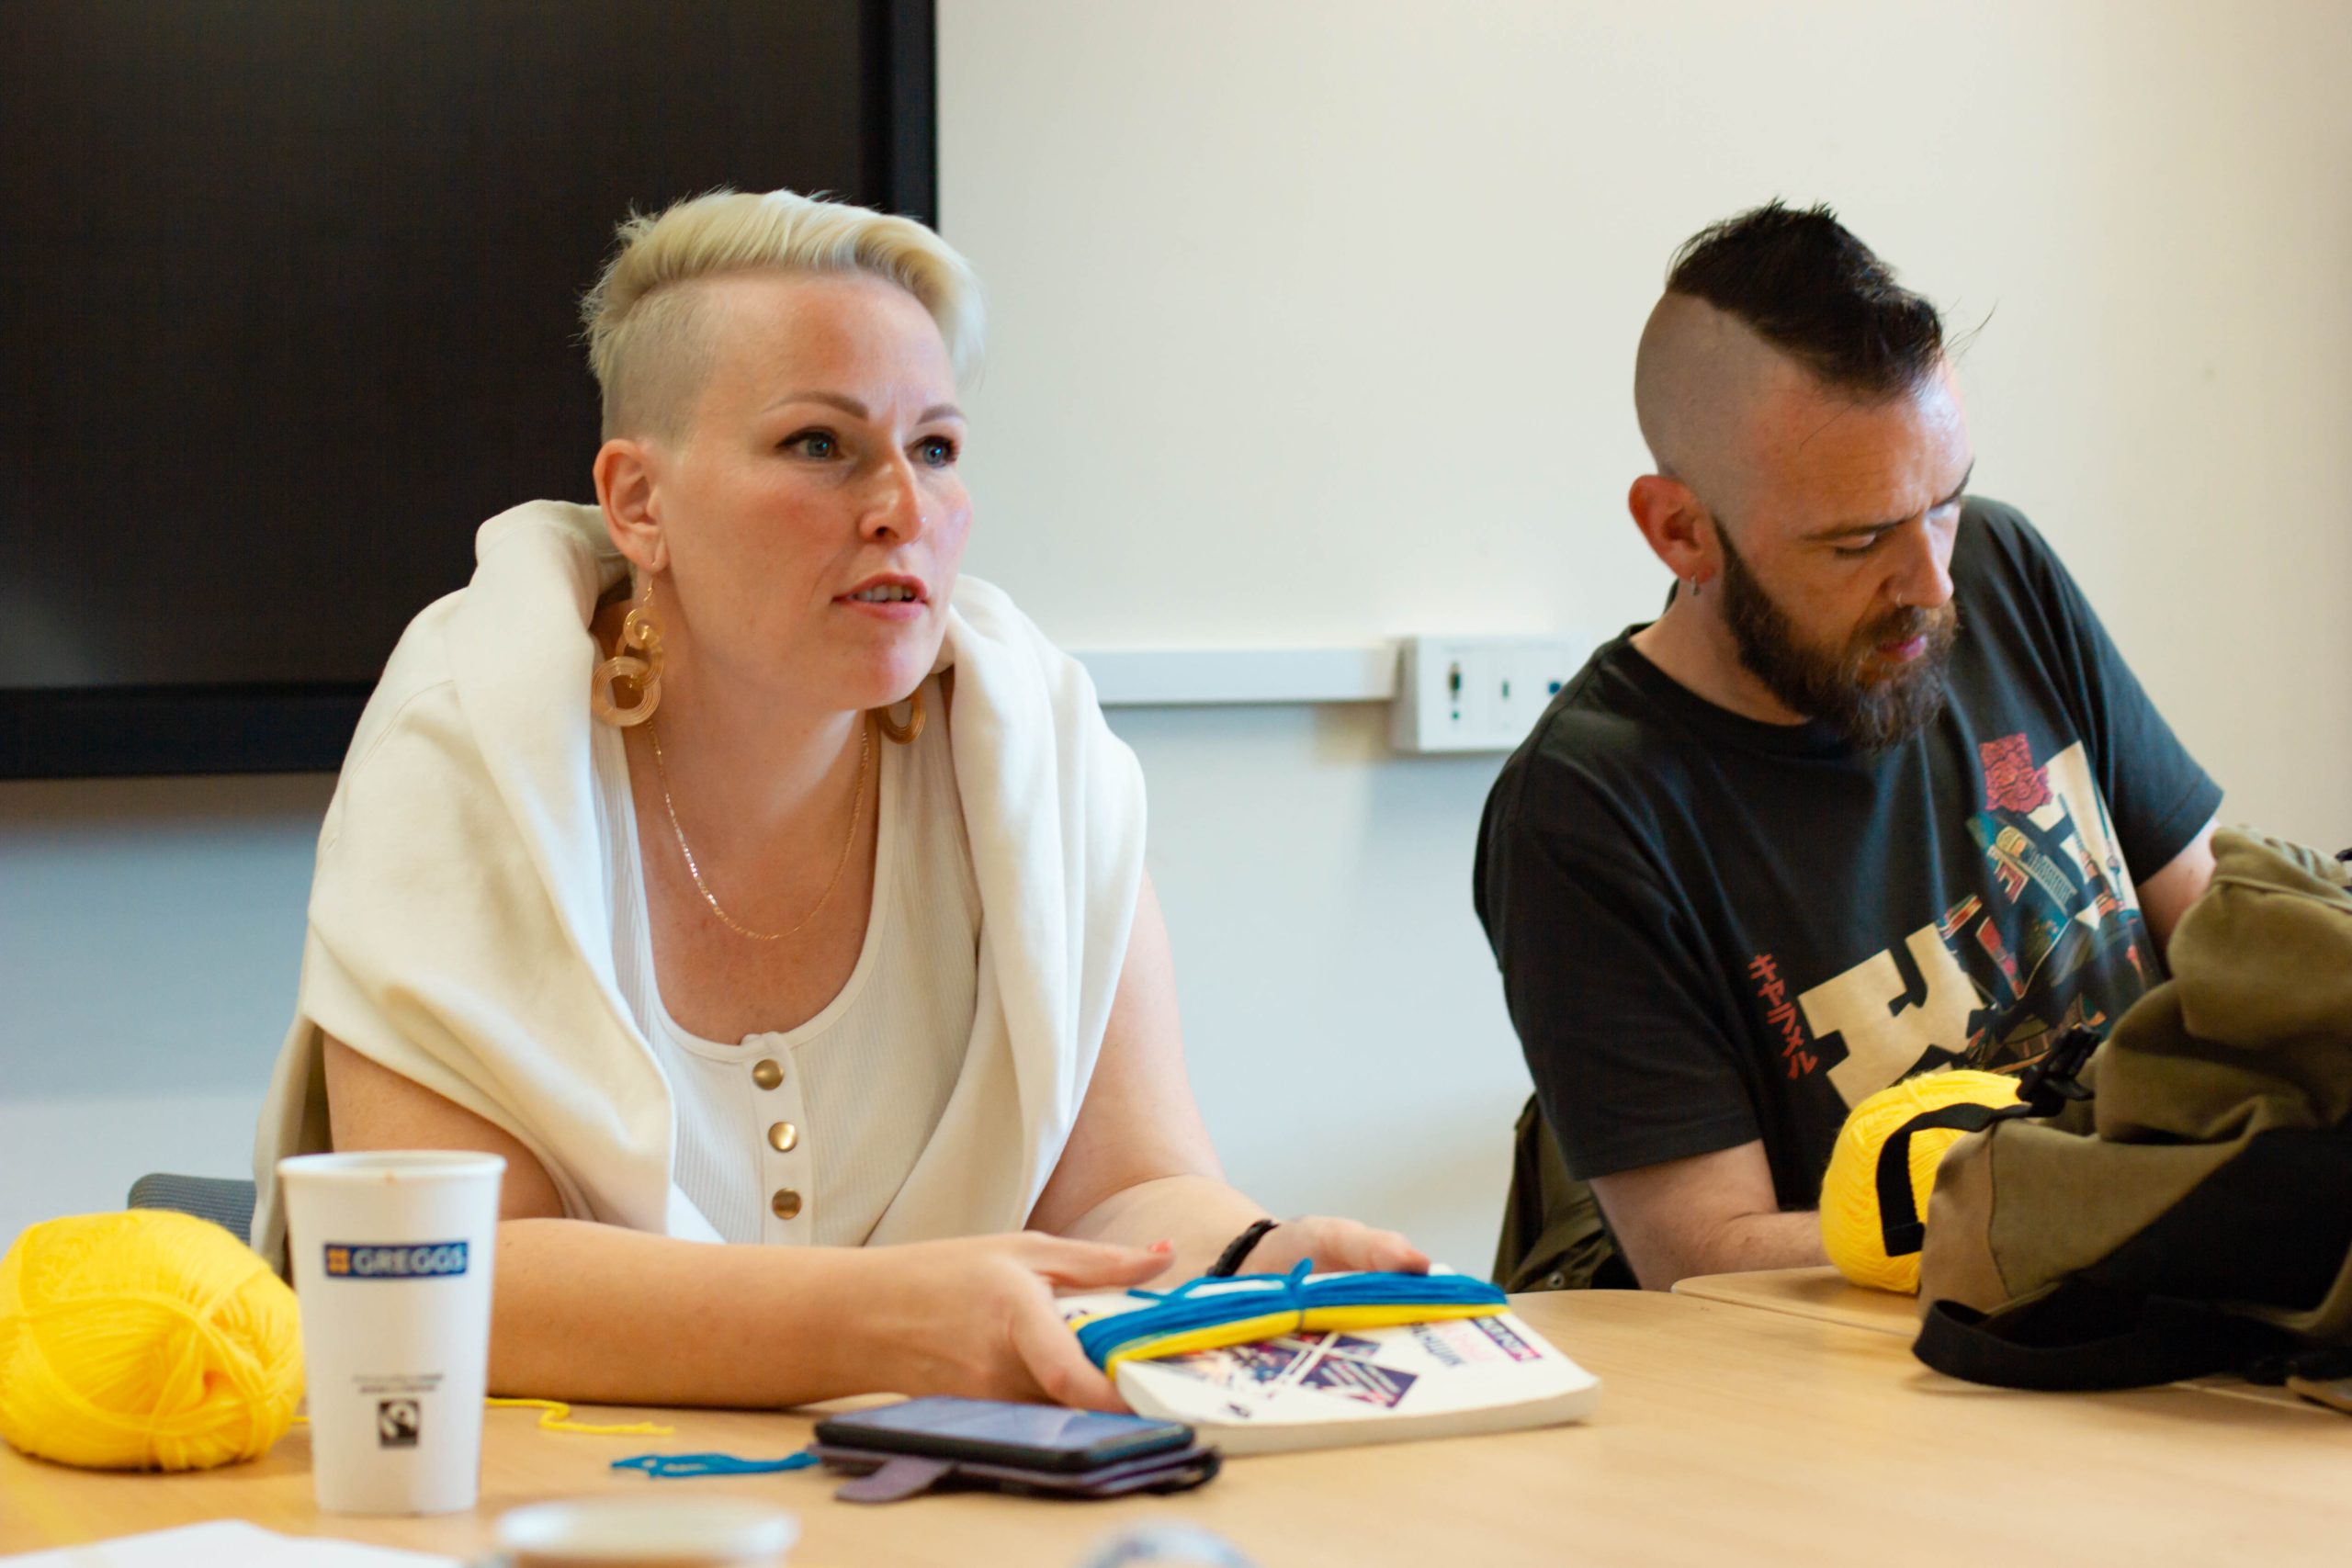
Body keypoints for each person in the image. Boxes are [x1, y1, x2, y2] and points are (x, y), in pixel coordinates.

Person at [253, 188, 1422, 1412]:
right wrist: (875, 1326)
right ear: (638, 501)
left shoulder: (1038, 747)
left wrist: (1260, 1264)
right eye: (821, 444)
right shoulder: (470, 737)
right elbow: (439, 1271)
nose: (903, 510)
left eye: (937, 447)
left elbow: (1125, 1196)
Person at [1476, 202, 2220, 1292]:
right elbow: (1700, 1255)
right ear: (1680, 530)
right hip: (1891, 1384)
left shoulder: (2001, 567)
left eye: (1944, 504)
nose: (1931, 586)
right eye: (1856, 540)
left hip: (2168, 1292)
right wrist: (2102, 1201)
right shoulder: (1588, 805)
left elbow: (2205, 933)